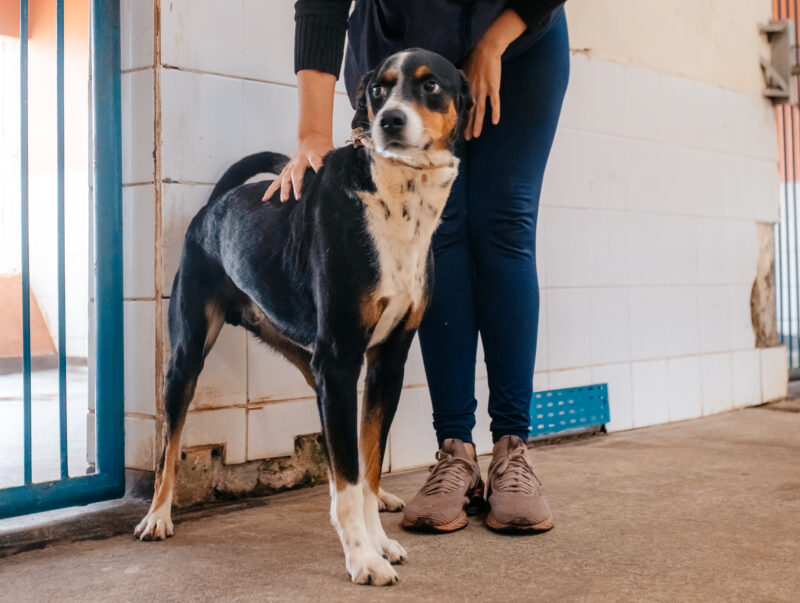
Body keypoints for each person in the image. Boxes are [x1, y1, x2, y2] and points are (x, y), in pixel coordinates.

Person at [264, 0, 570, 533]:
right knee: (439, 234)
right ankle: (455, 452)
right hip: (397, 38)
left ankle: (511, 451)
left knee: (505, 225)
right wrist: (312, 129)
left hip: (520, 39)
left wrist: (494, 42)